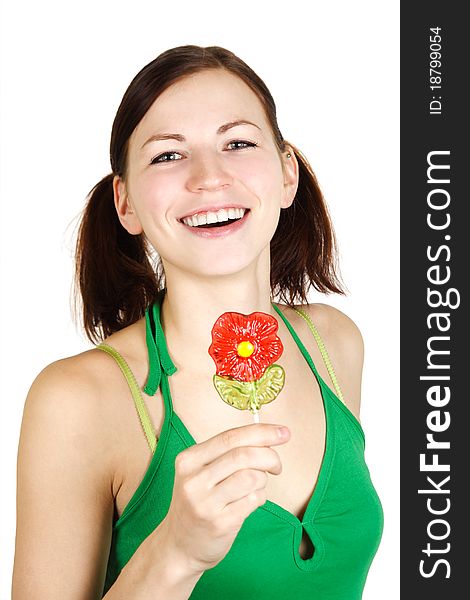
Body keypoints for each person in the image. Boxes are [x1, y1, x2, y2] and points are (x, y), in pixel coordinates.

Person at [12, 45, 383, 599]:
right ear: (126, 203)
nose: (210, 177)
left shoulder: (336, 344)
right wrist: (175, 552)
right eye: (168, 156)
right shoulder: (77, 400)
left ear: (286, 175)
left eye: (238, 143)